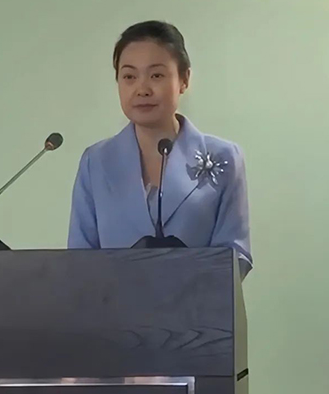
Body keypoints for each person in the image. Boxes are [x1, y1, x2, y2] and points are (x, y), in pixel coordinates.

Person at [67, 20, 253, 279]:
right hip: (113, 305)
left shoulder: (225, 157)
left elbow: (236, 255)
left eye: (156, 75)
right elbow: (79, 259)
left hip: (198, 304)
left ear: (184, 80)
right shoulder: (95, 162)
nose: (142, 89)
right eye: (129, 77)